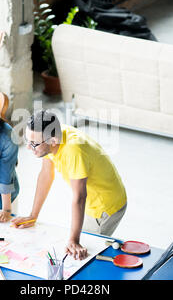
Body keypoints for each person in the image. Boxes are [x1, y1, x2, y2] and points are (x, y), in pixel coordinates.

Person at [12, 110, 127, 260]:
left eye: (33, 144)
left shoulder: (73, 150)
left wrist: (74, 240)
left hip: (105, 206)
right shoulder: (52, 138)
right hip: (91, 200)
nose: (28, 148)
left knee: (83, 255)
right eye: (28, 141)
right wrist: (33, 216)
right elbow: (46, 175)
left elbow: (79, 197)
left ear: (52, 141)